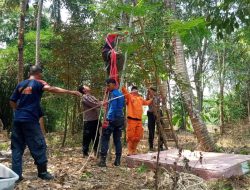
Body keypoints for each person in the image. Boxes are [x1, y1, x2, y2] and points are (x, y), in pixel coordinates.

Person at [9, 65, 81, 181]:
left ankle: (16, 176)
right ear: (39, 74)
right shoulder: (39, 83)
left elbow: (12, 102)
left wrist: (19, 110)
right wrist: (70, 91)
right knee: (39, 144)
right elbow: (52, 89)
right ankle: (42, 173)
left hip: (18, 120)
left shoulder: (20, 84)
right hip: (30, 121)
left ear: (29, 73)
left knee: (17, 148)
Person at [98, 78, 125, 167]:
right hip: (120, 118)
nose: (108, 87)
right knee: (117, 139)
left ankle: (102, 161)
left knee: (105, 137)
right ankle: (117, 161)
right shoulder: (120, 94)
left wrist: (108, 119)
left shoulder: (113, 94)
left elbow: (113, 108)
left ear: (114, 84)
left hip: (113, 119)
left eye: (108, 85)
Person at [122, 86, 152, 155]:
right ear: (132, 91)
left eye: (136, 90)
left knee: (137, 136)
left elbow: (146, 103)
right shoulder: (129, 97)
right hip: (131, 119)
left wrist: (152, 99)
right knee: (130, 136)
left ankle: (134, 150)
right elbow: (125, 91)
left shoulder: (140, 98)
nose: (135, 91)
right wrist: (120, 82)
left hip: (139, 120)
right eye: (134, 90)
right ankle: (129, 151)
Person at [78, 85, 101, 157]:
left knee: (96, 136)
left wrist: (103, 102)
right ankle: (85, 153)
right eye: (86, 86)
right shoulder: (84, 97)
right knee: (87, 137)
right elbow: (95, 104)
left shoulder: (91, 96)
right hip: (89, 121)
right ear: (84, 90)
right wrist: (102, 103)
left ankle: (96, 152)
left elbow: (97, 102)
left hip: (95, 120)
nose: (88, 86)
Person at [146, 87, 159, 151]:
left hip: (158, 113)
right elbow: (146, 101)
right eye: (149, 91)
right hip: (150, 114)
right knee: (151, 130)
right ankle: (151, 146)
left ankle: (161, 145)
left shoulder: (157, 97)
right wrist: (148, 94)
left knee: (160, 129)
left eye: (151, 91)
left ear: (154, 92)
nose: (150, 92)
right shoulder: (149, 97)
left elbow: (161, 102)